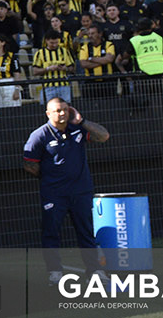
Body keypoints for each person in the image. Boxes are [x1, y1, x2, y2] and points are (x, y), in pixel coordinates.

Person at [22, 97, 110, 284]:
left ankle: (94, 272)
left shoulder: (77, 129)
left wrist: (82, 121)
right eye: (57, 111)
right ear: (48, 113)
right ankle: (54, 272)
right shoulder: (39, 136)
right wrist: (52, 178)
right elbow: (29, 165)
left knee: (86, 232)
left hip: (81, 192)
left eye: (64, 110)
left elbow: (104, 136)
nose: (61, 114)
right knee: (51, 232)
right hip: (54, 194)